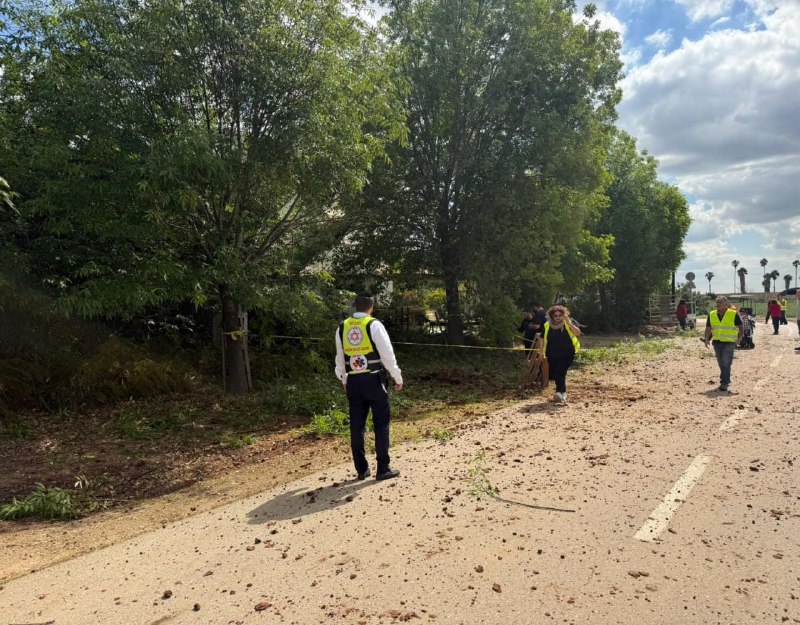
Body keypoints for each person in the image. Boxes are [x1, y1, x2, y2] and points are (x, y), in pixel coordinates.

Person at [335, 292, 403, 481]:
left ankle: (361, 469)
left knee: (357, 426)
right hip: (374, 380)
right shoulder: (374, 325)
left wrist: (344, 380)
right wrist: (397, 377)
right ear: (371, 307)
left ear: (355, 306)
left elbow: (339, 359)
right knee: (381, 423)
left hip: (354, 381)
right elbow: (387, 355)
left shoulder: (342, 328)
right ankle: (383, 468)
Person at [542, 304, 581, 404]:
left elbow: (578, 333)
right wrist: (540, 351)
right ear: (552, 316)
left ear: (564, 315)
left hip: (566, 354)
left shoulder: (567, 324)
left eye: (560, 315)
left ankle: (558, 392)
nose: (558, 317)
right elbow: (543, 339)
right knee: (555, 374)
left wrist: (569, 323)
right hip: (552, 354)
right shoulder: (547, 326)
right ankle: (563, 394)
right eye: (555, 315)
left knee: (560, 371)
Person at [703, 296, 743, 392]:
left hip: (729, 341)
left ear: (726, 304)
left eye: (720, 302)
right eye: (717, 302)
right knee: (721, 362)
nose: (718, 304)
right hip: (717, 341)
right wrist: (706, 339)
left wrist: (740, 337)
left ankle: (724, 383)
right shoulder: (712, 314)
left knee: (726, 361)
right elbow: (708, 328)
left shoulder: (733, 314)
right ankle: (726, 378)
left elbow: (741, 327)